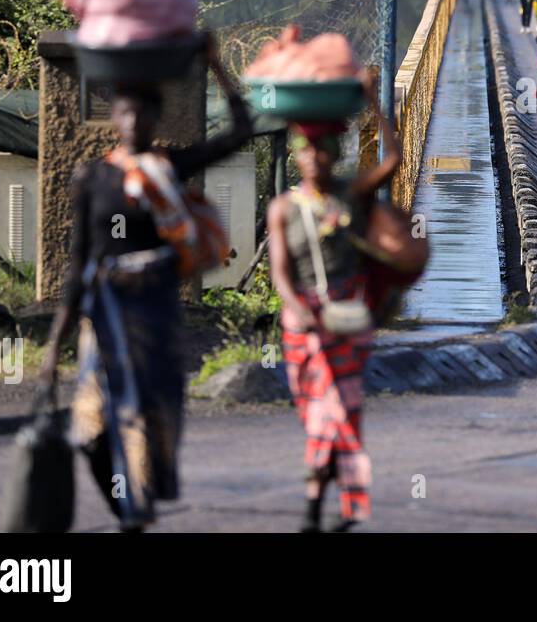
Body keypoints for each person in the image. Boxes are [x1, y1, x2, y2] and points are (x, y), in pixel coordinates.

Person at [39, 34, 253, 532]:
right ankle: (127, 509)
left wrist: (216, 67)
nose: (134, 123)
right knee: (89, 430)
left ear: (155, 120)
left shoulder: (167, 169)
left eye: (143, 115)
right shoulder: (92, 178)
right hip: (102, 314)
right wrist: (56, 343)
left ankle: (135, 515)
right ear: (115, 119)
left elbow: (241, 132)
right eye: (126, 114)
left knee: (141, 414)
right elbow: (79, 262)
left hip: (153, 312)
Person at [266, 82, 402, 532]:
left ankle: (327, 508)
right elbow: (281, 271)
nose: (316, 161)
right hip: (302, 322)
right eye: (308, 153)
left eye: (324, 153)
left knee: (340, 408)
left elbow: (393, 162)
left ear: (332, 157)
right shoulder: (284, 208)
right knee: (318, 414)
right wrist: (298, 309)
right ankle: (336, 508)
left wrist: (375, 102)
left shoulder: (349, 196)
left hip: (346, 316)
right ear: (299, 159)